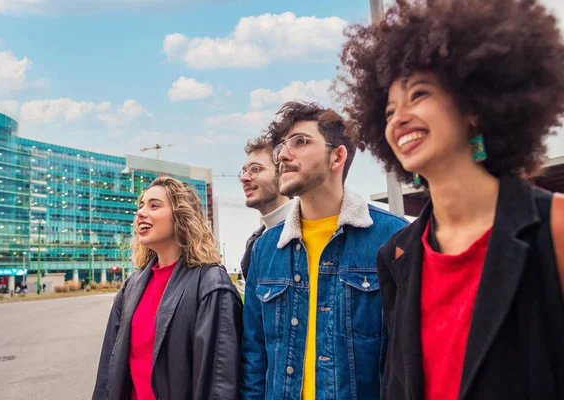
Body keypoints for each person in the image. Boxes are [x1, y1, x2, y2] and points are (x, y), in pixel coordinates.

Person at [338, 0, 564, 398]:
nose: (399, 118)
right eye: (388, 111)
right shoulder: (397, 256)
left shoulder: (556, 228)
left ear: (474, 107)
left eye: (419, 94)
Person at [241, 101, 408, 399]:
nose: (284, 155)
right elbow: (255, 357)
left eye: (300, 142)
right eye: (281, 147)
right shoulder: (265, 248)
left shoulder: (394, 237)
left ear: (337, 156)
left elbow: (409, 357)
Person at [93, 176, 243, 400]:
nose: (141, 213)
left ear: (181, 217)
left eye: (154, 205)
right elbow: (109, 369)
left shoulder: (212, 284)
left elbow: (219, 383)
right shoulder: (131, 286)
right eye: (141, 205)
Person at [239, 134, 294, 280]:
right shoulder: (255, 243)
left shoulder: (308, 227)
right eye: (243, 171)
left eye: (255, 169)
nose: (244, 178)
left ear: (283, 173)